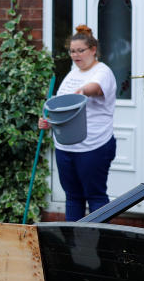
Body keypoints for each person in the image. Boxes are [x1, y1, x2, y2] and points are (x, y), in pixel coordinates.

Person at [39, 25, 117, 221]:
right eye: (72, 51)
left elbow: (96, 88)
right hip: (66, 147)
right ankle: (73, 245)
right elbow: (60, 108)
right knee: (73, 197)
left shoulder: (102, 71)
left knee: (96, 197)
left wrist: (83, 91)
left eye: (80, 50)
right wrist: (48, 120)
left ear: (93, 50)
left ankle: (102, 244)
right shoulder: (72, 74)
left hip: (93, 146)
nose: (75, 55)